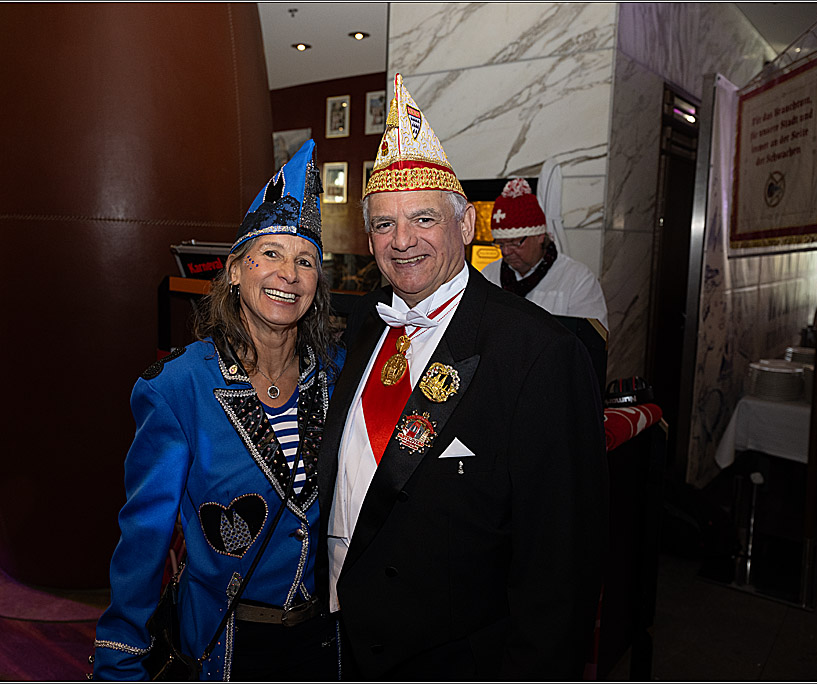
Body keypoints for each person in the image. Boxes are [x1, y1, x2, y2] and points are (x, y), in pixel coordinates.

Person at [316, 74, 607, 680]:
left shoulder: (539, 352)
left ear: (465, 228)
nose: (403, 242)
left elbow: (560, 565)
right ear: (368, 239)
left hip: (457, 659)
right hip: (348, 640)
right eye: (385, 225)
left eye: (423, 219)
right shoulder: (367, 323)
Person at [93, 140, 344, 681]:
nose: (289, 274)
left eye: (305, 261)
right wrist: (119, 661)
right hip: (226, 646)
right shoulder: (177, 389)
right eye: (271, 254)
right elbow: (144, 540)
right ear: (234, 271)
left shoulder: (337, 375)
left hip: (325, 645)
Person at [480, 178, 609, 330]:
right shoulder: (488, 275)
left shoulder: (577, 279)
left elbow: (590, 340)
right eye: (500, 244)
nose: (506, 251)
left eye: (515, 242)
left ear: (540, 236)